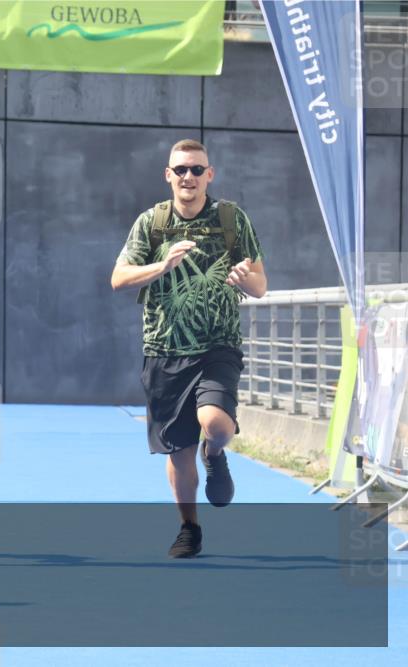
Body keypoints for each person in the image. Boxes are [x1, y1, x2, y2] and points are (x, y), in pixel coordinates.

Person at [111, 139, 267, 558]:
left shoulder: (232, 219)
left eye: (197, 169)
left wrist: (241, 278)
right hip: (164, 349)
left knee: (215, 424)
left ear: (209, 174)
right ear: (168, 175)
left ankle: (214, 452)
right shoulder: (152, 223)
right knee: (178, 451)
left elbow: (260, 286)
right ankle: (189, 528)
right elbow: (119, 278)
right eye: (180, 169)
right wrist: (161, 266)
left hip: (218, 345)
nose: (188, 177)